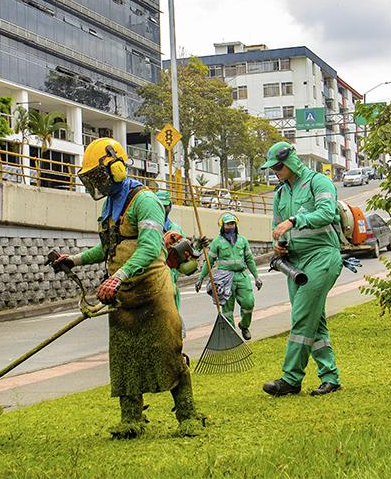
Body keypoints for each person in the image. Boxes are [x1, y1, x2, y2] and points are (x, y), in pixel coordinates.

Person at [54, 138, 206, 438]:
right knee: (124, 358)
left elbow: (150, 247)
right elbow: (107, 248)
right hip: (122, 297)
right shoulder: (110, 206)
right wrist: (73, 260)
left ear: (118, 168)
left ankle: (187, 415)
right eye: (91, 178)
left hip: (152, 292)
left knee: (167, 351)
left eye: (99, 175)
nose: (96, 183)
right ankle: (131, 419)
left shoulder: (145, 201)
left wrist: (117, 276)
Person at [259, 141, 343, 397]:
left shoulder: (319, 183)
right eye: (272, 167)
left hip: (322, 257)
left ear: (292, 162)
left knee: (302, 317)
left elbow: (327, 213)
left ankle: (291, 378)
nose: (276, 171)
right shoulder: (281, 194)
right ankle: (330, 377)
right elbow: (277, 229)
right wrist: (280, 246)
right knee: (314, 320)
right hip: (294, 262)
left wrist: (295, 220)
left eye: (279, 166)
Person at [195, 213, 262, 340]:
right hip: (225, 278)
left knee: (249, 303)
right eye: (227, 224)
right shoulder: (217, 242)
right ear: (222, 226)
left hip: (242, 276)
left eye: (232, 224)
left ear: (236, 225)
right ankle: (232, 336)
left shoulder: (243, 240)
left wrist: (256, 276)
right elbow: (209, 261)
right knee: (227, 309)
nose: (230, 226)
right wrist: (200, 278)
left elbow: (249, 259)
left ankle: (244, 325)